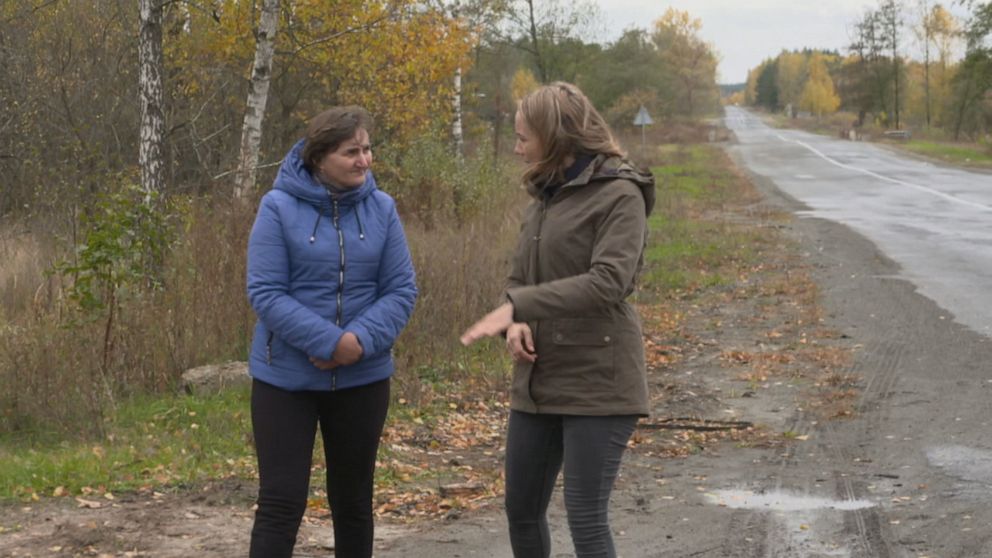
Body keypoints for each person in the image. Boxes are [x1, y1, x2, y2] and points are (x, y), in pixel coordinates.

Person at [460, 82, 655, 558]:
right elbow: (517, 278)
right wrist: (515, 320)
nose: (517, 147)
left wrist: (520, 306)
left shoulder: (621, 195)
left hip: (600, 380)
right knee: (521, 511)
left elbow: (608, 282)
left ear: (558, 136)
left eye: (524, 136)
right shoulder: (545, 197)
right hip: (538, 379)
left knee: (586, 519)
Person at [246, 106, 417, 558]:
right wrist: (328, 342)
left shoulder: (382, 208)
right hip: (285, 381)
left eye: (367, 149)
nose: (364, 160)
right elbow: (265, 291)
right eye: (351, 152)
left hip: (363, 378)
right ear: (319, 158)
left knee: (354, 502)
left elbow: (401, 289)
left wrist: (356, 343)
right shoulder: (277, 207)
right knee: (281, 503)